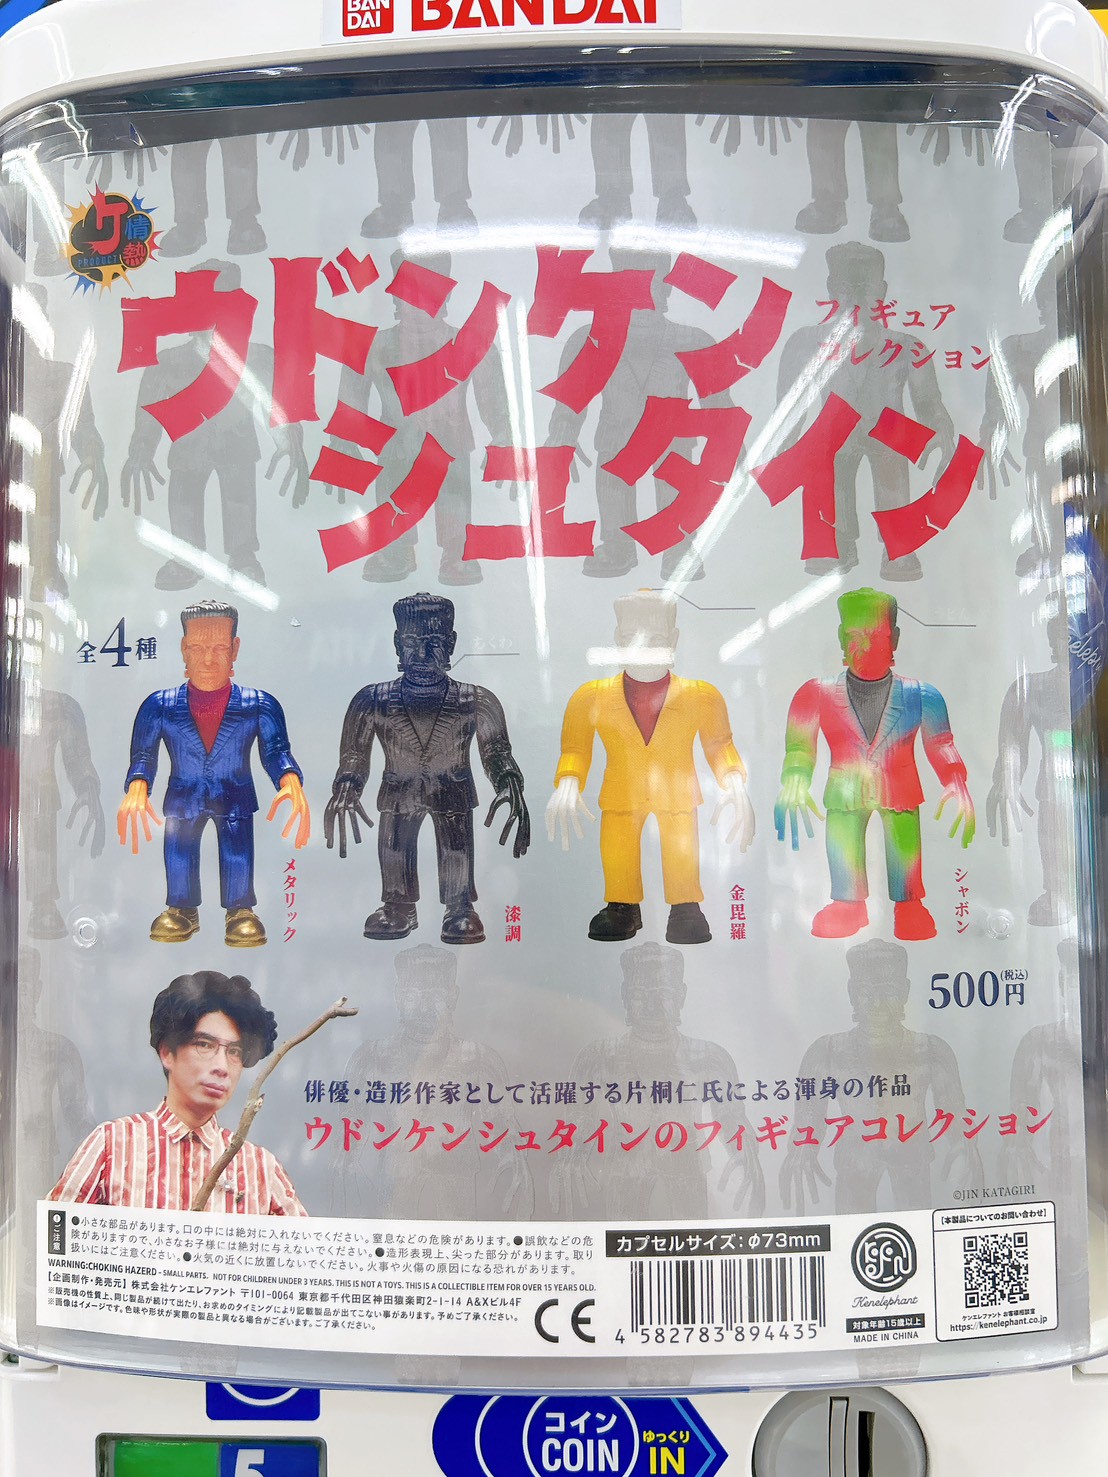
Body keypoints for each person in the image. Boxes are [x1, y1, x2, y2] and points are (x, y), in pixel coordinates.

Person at [548, 589, 754, 945]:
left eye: (656, 639)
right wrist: (568, 780)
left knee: (681, 846)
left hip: (677, 793)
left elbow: (720, 745)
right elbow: (576, 749)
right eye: (631, 637)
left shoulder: (700, 696)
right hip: (621, 791)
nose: (643, 647)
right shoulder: (591, 697)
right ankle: (622, 904)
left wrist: (734, 781)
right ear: (617, 638)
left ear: (674, 639)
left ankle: (685, 906)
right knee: (618, 847)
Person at [325, 593, 529, 945]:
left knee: (456, 848)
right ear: (397, 643)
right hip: (398, 790)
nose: (420, 655)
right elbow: (354, 755)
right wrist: (347, 785)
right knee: (395, 844)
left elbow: (496, 751)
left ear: (450, 643)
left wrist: (509, 780)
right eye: (410, 643)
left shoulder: (476, 700)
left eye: (432, 643)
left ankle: (459, 905)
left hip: (453, 789)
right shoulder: (372, 700)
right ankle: (398, 904)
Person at [775, 587, 974, 940]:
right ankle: (848, 902)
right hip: (845, 790)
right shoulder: (816, 693)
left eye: (876, 636)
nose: (864, 647)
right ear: (840, 637)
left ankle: (909, 903)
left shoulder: (921, 695)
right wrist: (795, 778)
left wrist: (954, 778)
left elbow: (941, 742)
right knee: (844, 837)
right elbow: (800, 747)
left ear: (894, 638)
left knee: (904, 842)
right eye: (854, 636)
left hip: (900, 788)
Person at [118, 599, 310, 947]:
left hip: (235, 795)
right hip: (183, 796)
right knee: (179, 849)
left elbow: (276, 751)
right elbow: (143, 755)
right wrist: (137, 786)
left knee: (238, 851)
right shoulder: (159, 705)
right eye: (197, 647)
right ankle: (181, 908)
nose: (208, 659)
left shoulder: (258, 704)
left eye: (220, 648)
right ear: (184, 649)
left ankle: (240, 910)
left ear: (235, 649)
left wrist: (290, 780)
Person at [48, 971, 306, 1215]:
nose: (222, 1067)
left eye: (234, 1052)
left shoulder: (260, 1167)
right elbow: (54, 1234)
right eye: (204, 1044)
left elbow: (304, 1246)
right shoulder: (112, 1145)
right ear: (167, 1053)